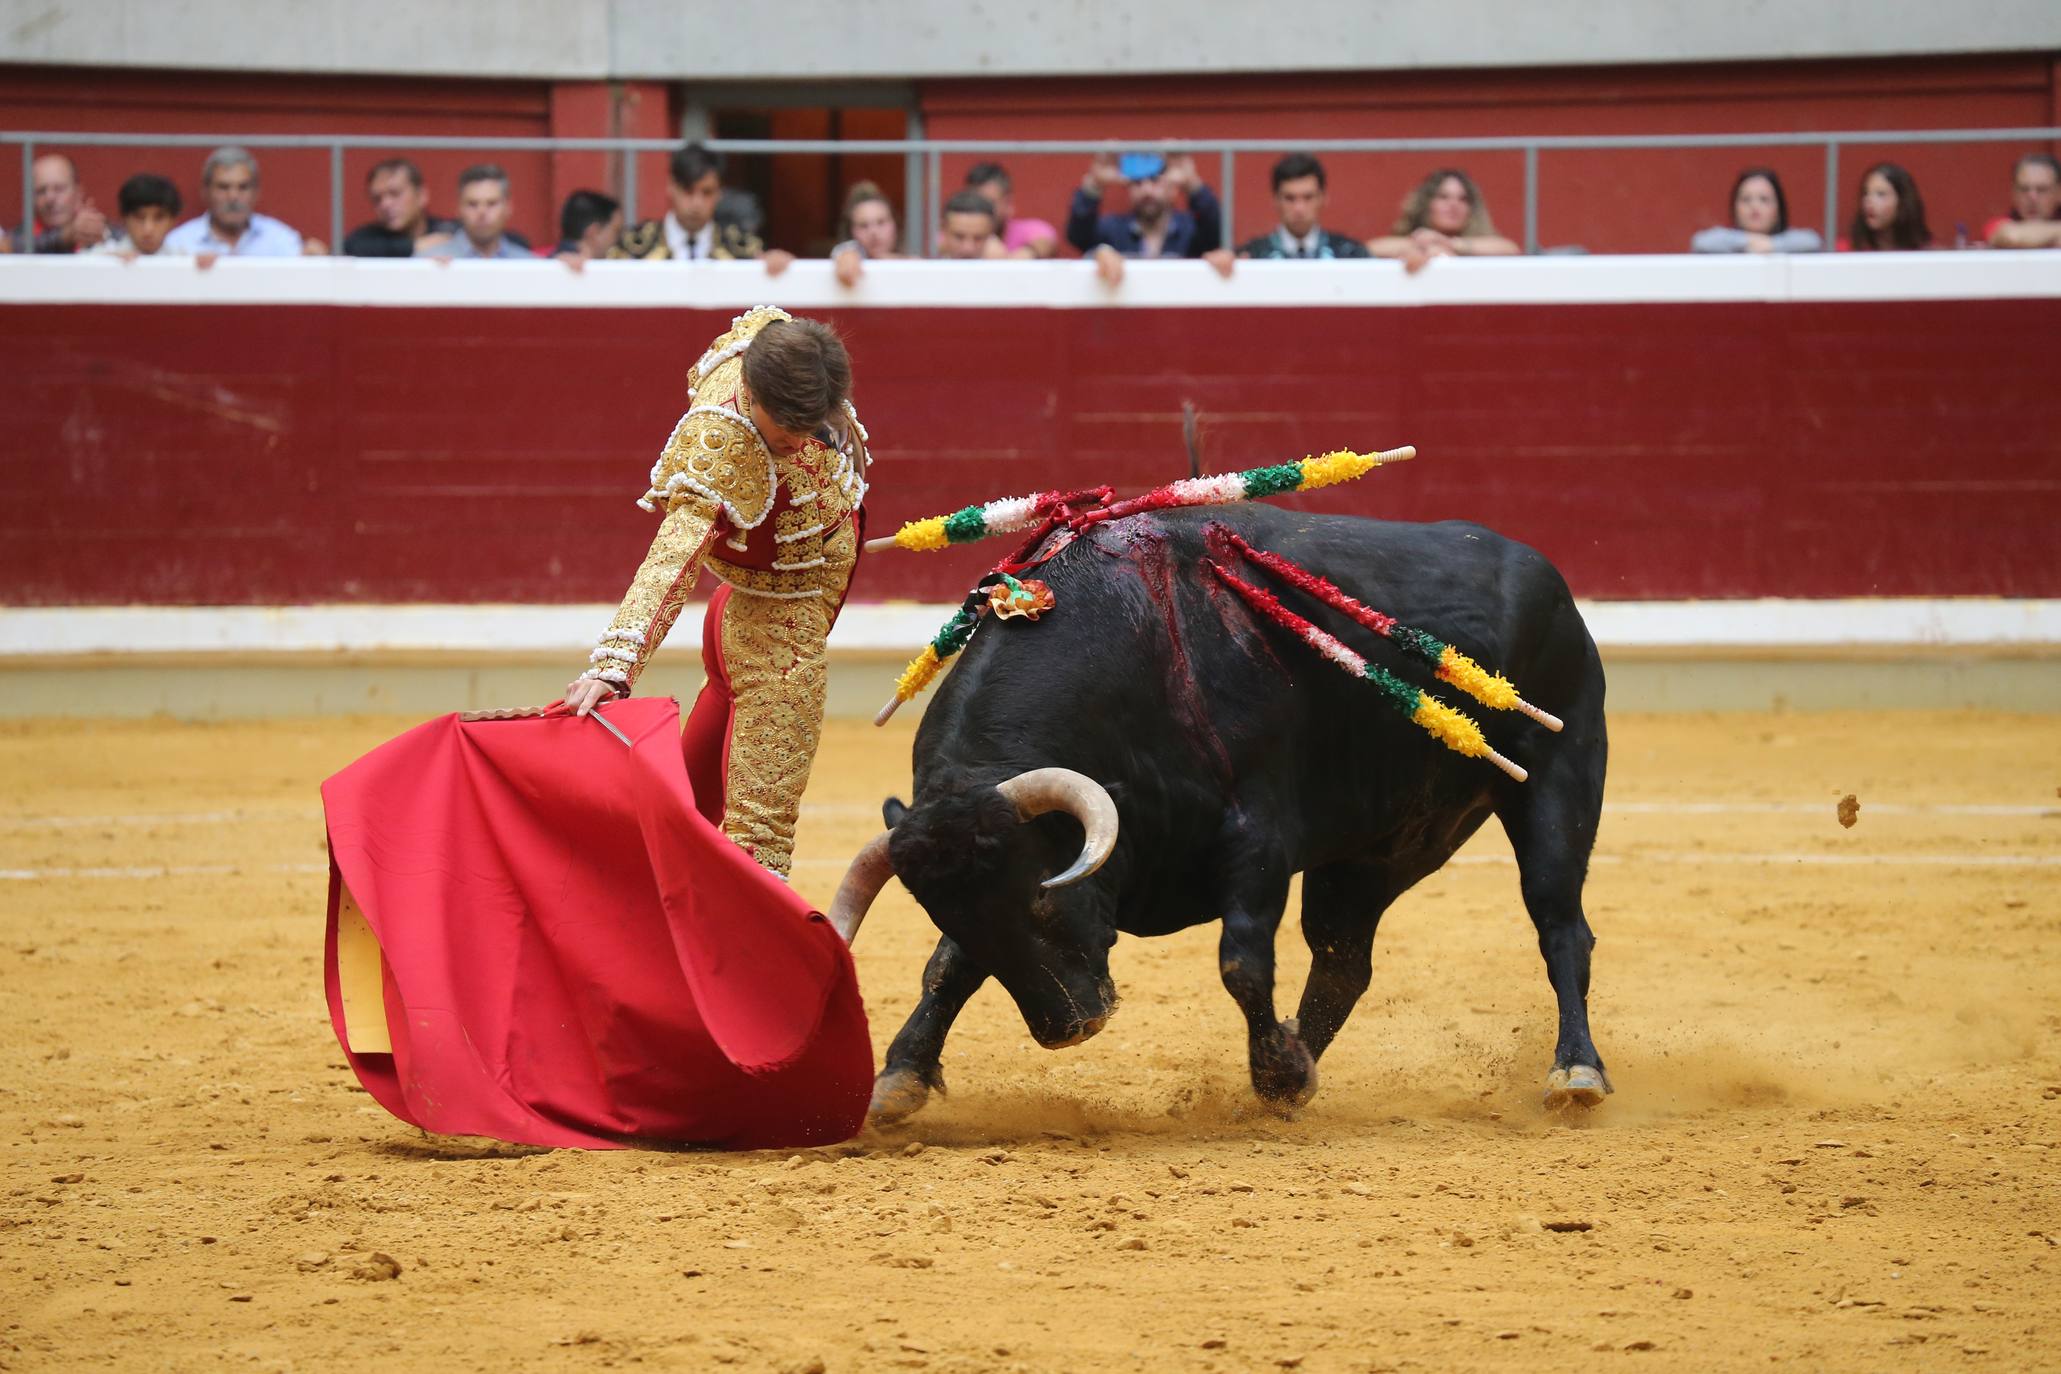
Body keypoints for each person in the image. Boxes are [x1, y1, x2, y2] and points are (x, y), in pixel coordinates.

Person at [561, 306, 872, 881]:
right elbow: (673, 557)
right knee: (759, 839)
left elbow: (768, 330)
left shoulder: (774, 349)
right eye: (786, 427)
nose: (799, 440)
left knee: (688, 814)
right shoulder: (725, 444)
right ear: (752, 394)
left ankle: (642, 906)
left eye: (810, 424)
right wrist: (615, 665)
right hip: (776, 626)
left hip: (750, 614)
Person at [615, 143, 794, 275]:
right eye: (688, 191)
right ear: (671, 186)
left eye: (706, 192)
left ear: (720, 193)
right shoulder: (631, 245)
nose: (696, 203)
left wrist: (780, 264)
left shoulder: (746, 248)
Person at [1067, 151, 1230, 285]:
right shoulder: (1112, 228)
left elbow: (1218, 232)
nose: (1146, 189)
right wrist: (1095, 185)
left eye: (1155, 180)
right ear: (1128, 190)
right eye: (1137, 182)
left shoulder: (1190, 229)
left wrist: (1192, 184)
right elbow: (1078, 236)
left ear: (1173, 189)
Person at [162, 147, 316, 257]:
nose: (233, 196)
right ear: (205, 192)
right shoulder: (178, 244)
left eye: (243, 187)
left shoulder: (280, 239)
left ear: (256, 193)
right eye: (223, 187)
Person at [1367, 169, 1519, 272]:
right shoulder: (1413, 243)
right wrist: (1423, 247)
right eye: (1443, 197)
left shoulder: (1484, 246)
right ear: (1426, 204)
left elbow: (1511, 250)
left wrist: (1447, 244)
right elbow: (1370, 249)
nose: (1453, 205)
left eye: (1463, 199)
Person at [1237, 153, 1370, 259]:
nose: (1299, 208)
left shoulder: (1349, 253)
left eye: (1308, 197)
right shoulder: (1251, 255)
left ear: (1323, 198)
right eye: (1290, 198)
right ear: (1275, 200)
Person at [1690, 168, 1823, 253]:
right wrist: (1748, 241)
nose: (1754, 206)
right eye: (1746, 199)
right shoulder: (1726, 241)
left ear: (1778, 208)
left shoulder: (1792, 240)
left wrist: (1772, 245)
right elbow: (1700, 242)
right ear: (1735, 207)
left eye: (1764, 199)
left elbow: (1812, 241)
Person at [343, 159, 458, 258]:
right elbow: (350, 249)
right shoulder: (364, 239)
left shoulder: (449, 231)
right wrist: (414, 246)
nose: (385, 204)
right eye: (377, 198)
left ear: (422, 195)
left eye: (395, 193)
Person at [416, 165, 530, 260]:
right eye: (472, 204)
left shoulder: (529, 264)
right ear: (458, 208)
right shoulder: (430, 260)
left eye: (491, 203)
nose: (482, 212)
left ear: (508, 207)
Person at [20, 154, 112, 253]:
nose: (50, 198)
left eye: (59, 189)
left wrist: (101, 235)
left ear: (78, 193)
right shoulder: (20, 237)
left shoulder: (104, 230)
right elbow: (17, 247)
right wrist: (66, 236)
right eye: (41, 191)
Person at [964, 161, 1058, 258]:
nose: (981, 209)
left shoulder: (1030, 229)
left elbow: (1045, 241)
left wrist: (1023, 255)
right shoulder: (953, 234)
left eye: (989, 203)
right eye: (975, 201)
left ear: (1008, 203)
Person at [1840, 163, 1932, 252]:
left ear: (1902, 201)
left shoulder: (1925, 254)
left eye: (1881, 194)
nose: (1869, 202)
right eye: (1866, 193)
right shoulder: (1845, 252)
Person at [829, 181, 907, 286]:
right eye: (863, 225)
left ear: (895, 224)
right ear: (851, 231)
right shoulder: (849, 251)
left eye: (881, 222)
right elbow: (843, 254)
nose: (873, 232)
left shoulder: (910, 260)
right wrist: (847, 257)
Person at [90, 174, 186, 258]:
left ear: (173, 221)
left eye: (159, 218)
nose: (148, 229)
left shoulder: (185, 261)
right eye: (139, 217)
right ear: (124, 219)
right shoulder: (102, 257)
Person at [1983, 153, 2061, 250]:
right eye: (2024, 189)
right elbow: (2011, 236)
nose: (2032, 197)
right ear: (2013, 193)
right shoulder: (1998, 225)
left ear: (2059, 193)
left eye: (2042, 190)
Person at [553, 189, 623, 261]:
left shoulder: (546, 262)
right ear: (594, 232)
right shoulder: (561, 266)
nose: (618, 240)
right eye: (616, 231)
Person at [937, 189, 1007, 260]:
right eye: (959, 237)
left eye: (978, 238)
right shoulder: (928, 255)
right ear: (943, 229)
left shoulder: (1000, 263)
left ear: (990, 234)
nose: (968, 249)